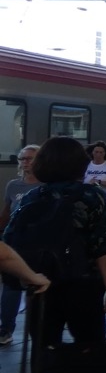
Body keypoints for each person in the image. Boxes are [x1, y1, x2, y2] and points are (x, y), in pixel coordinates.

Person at [2, 137, 106, 357]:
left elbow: (11, 238)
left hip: (41, 283)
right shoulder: (91, 196)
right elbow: (100, 245)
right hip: (83, 283)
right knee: (90, 349)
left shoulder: (31, 196)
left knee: (43, 350)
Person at [0, 145, 40, 344]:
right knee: (11, 287)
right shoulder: (13, 186)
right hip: (15, 242)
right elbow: (6, 212)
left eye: (30, 158)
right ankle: (6, 329)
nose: (25, 162)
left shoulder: (47, 185)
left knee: (37, 286)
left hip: (39, 244)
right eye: (22, 159)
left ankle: (39, 330)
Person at [83, 141, 106, 208]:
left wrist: (99, 182)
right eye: (96, 152)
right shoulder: (86, 165)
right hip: (87, 200)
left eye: (101, 152)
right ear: (92, 152)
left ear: (104, 153)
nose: (98, 154)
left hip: (104, 201)